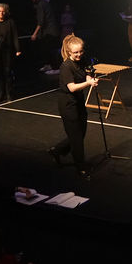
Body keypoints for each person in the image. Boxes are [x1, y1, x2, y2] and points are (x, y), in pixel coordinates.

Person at [48, 35, 98, 179]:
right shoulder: (66, 67)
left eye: (81, 51)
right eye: (76, 52)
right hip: (68, 104)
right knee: (76, 138)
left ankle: (56, 150)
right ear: (69, 52)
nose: (79, 54)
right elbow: (72, 88)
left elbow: (87, 72)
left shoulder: (82, 60)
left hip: (79, 101)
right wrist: (88, 84)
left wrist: (90, 79)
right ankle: (80, 167)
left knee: (80, 133)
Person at [0, 3, 21, 103]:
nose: (1, 13)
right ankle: (1, 94)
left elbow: (15, 36)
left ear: (6, 12)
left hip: (7, 52)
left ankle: (9, 94)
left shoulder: (10, 22)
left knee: (7, 73)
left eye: (3, 11)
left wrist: (18, 49)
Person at [30, 0, 60, 72]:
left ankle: (54, 68)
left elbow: (41, 22)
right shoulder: (44, 3)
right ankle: (48, 65)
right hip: (50, 31)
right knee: (46, 49)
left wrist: (34, 34)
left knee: (49, 50)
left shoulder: (41, 5)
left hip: (50, 32)